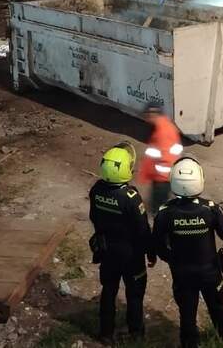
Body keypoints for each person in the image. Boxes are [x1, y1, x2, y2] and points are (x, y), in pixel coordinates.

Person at [153, 157, 223, 348]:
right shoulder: (210, 208)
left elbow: (157, 244)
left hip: (182, 273)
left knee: (187, 313)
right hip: (210, 272)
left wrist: (171, 259)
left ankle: (190, 344)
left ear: (173, 180)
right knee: (217, 306)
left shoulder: (165, 212)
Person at [89, 143, 155, 344]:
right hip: (131, 255)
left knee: (108, 291)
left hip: (108, 251)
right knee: (134, 295)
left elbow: (94, 217)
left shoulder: (96, 190)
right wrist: (151, 253)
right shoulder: (130, 197)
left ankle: (105, 333)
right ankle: (136, 333)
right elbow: (143, 230)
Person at [138, 104, 183, 214]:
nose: (147, 120)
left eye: (147, 116)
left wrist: (155, 176)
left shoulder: (162, 132)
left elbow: (165, 158)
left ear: (152, 114)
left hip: (161, 178)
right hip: (163, 177)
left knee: (158, 208)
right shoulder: (165, 126)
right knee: (160, 204)